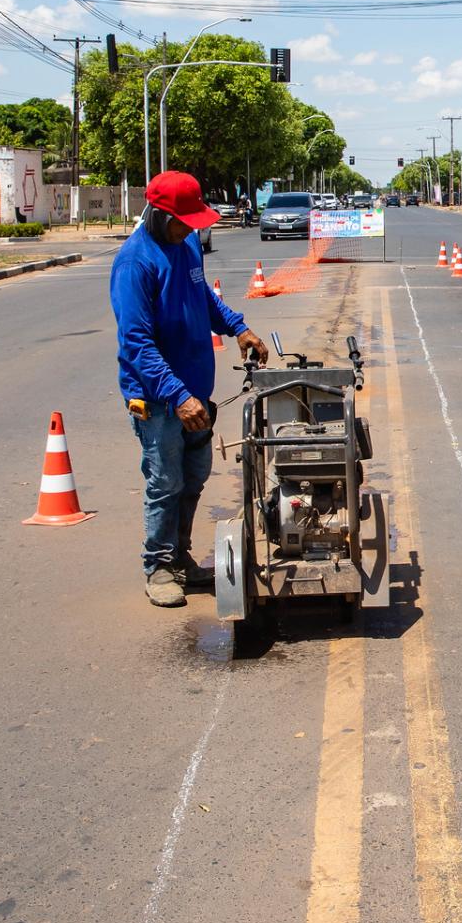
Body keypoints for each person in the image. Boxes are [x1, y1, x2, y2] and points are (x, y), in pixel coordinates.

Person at [110, 170, 268, 607]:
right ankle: (158, 567)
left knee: (194, 478)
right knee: (165, 481)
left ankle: (179, 557)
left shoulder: (187, 246)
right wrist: (178, 395)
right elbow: (136, 343)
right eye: (185, 220)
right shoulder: (135, 263)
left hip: (195, 393)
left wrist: (238, 327)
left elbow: (202, 299)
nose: (193, 228)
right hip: (161, 399)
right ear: (160, 216)